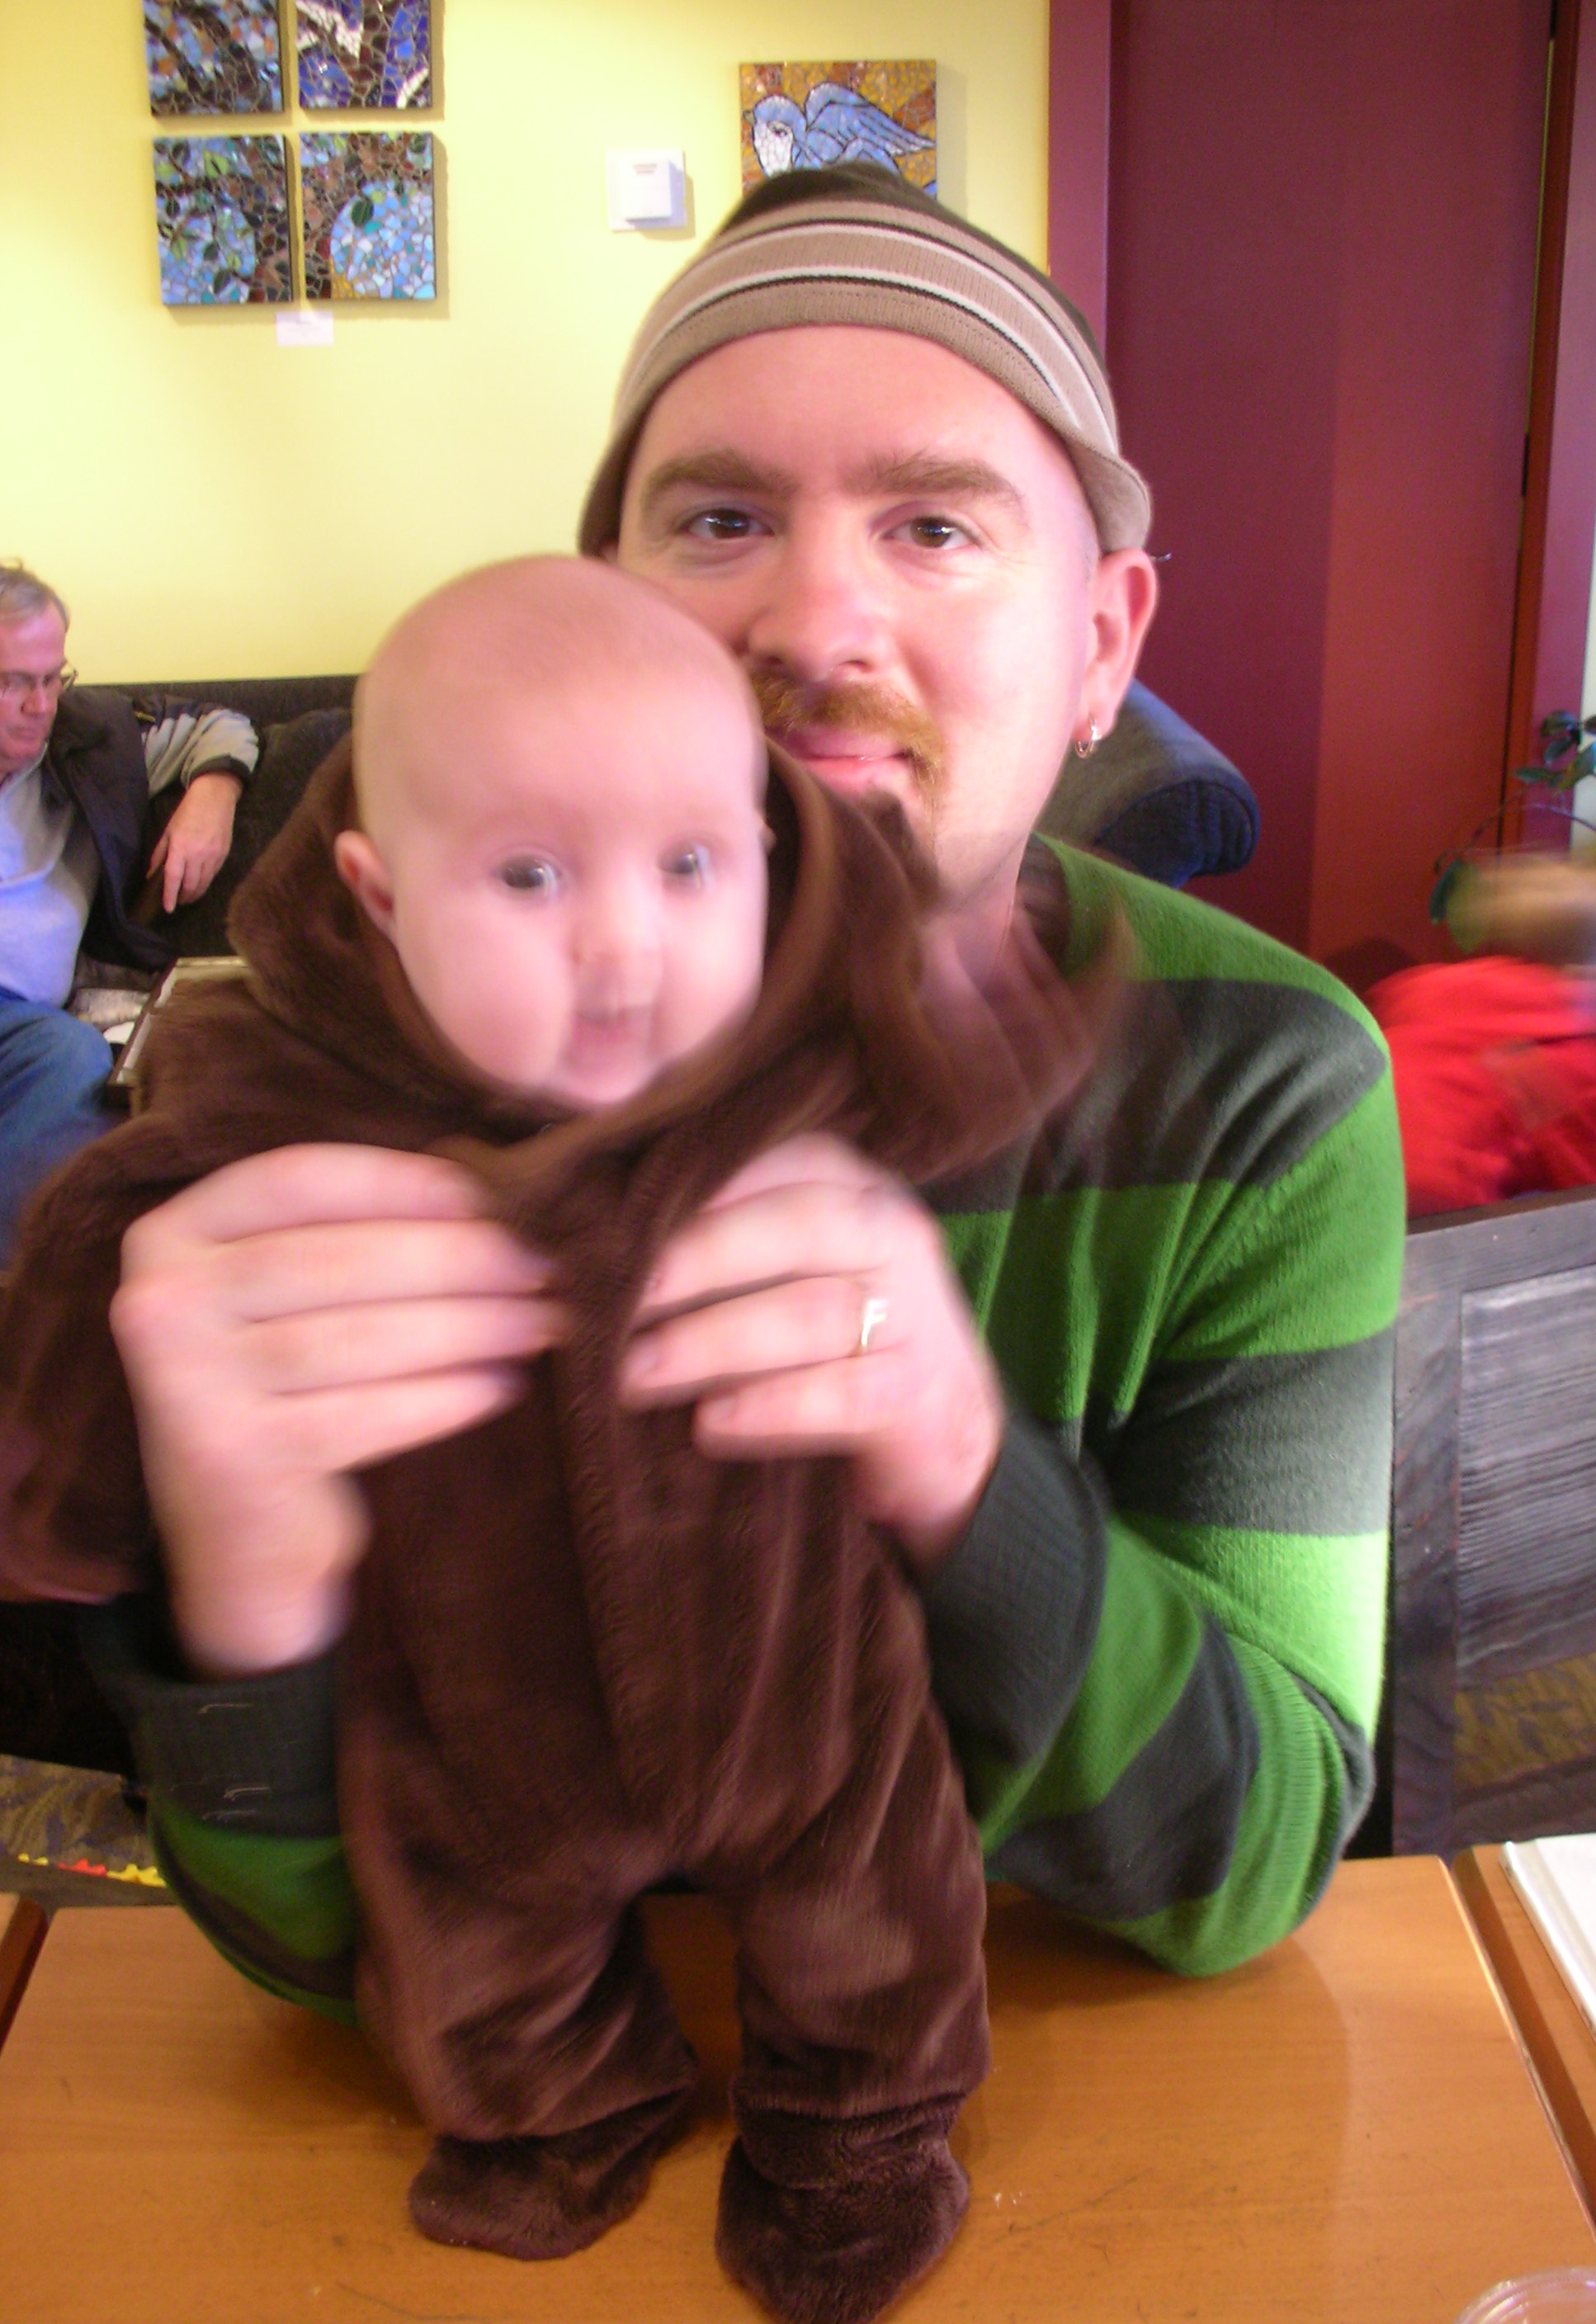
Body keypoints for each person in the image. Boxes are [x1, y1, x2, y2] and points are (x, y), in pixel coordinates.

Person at [31, 166, 1404, 1999]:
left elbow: (1260, 1855)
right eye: (723, 519)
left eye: (936, 528)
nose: (815, 625)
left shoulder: (1258, 1080)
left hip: (1037, 2073)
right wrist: (246, 1587)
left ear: (1100, 645)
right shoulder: (339, 1072)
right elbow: (303, 1959)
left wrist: (955, 1459)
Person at [5, 557, 1121, 2314]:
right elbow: (107, 1238)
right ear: (380, 897)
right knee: (478, 1949)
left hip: (797, 1669)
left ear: (764, 859)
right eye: (528, 876)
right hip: (474, 1698)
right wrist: (66, 1506)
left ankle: (858, 2137)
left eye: (690, 866)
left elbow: (956, 1063)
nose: (623, 947)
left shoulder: (788, 1052)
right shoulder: (278, 1097)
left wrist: (1034, 997)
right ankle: (563, 2113)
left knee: (876, 1912)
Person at [0, 561, 257, 1255]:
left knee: (72, 1057)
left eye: (53, 677)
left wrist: (214, 795)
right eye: (13, 683)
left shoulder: (89, 741)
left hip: (22, 1027)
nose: (41, 705)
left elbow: (221, 724)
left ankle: (17, 1289)